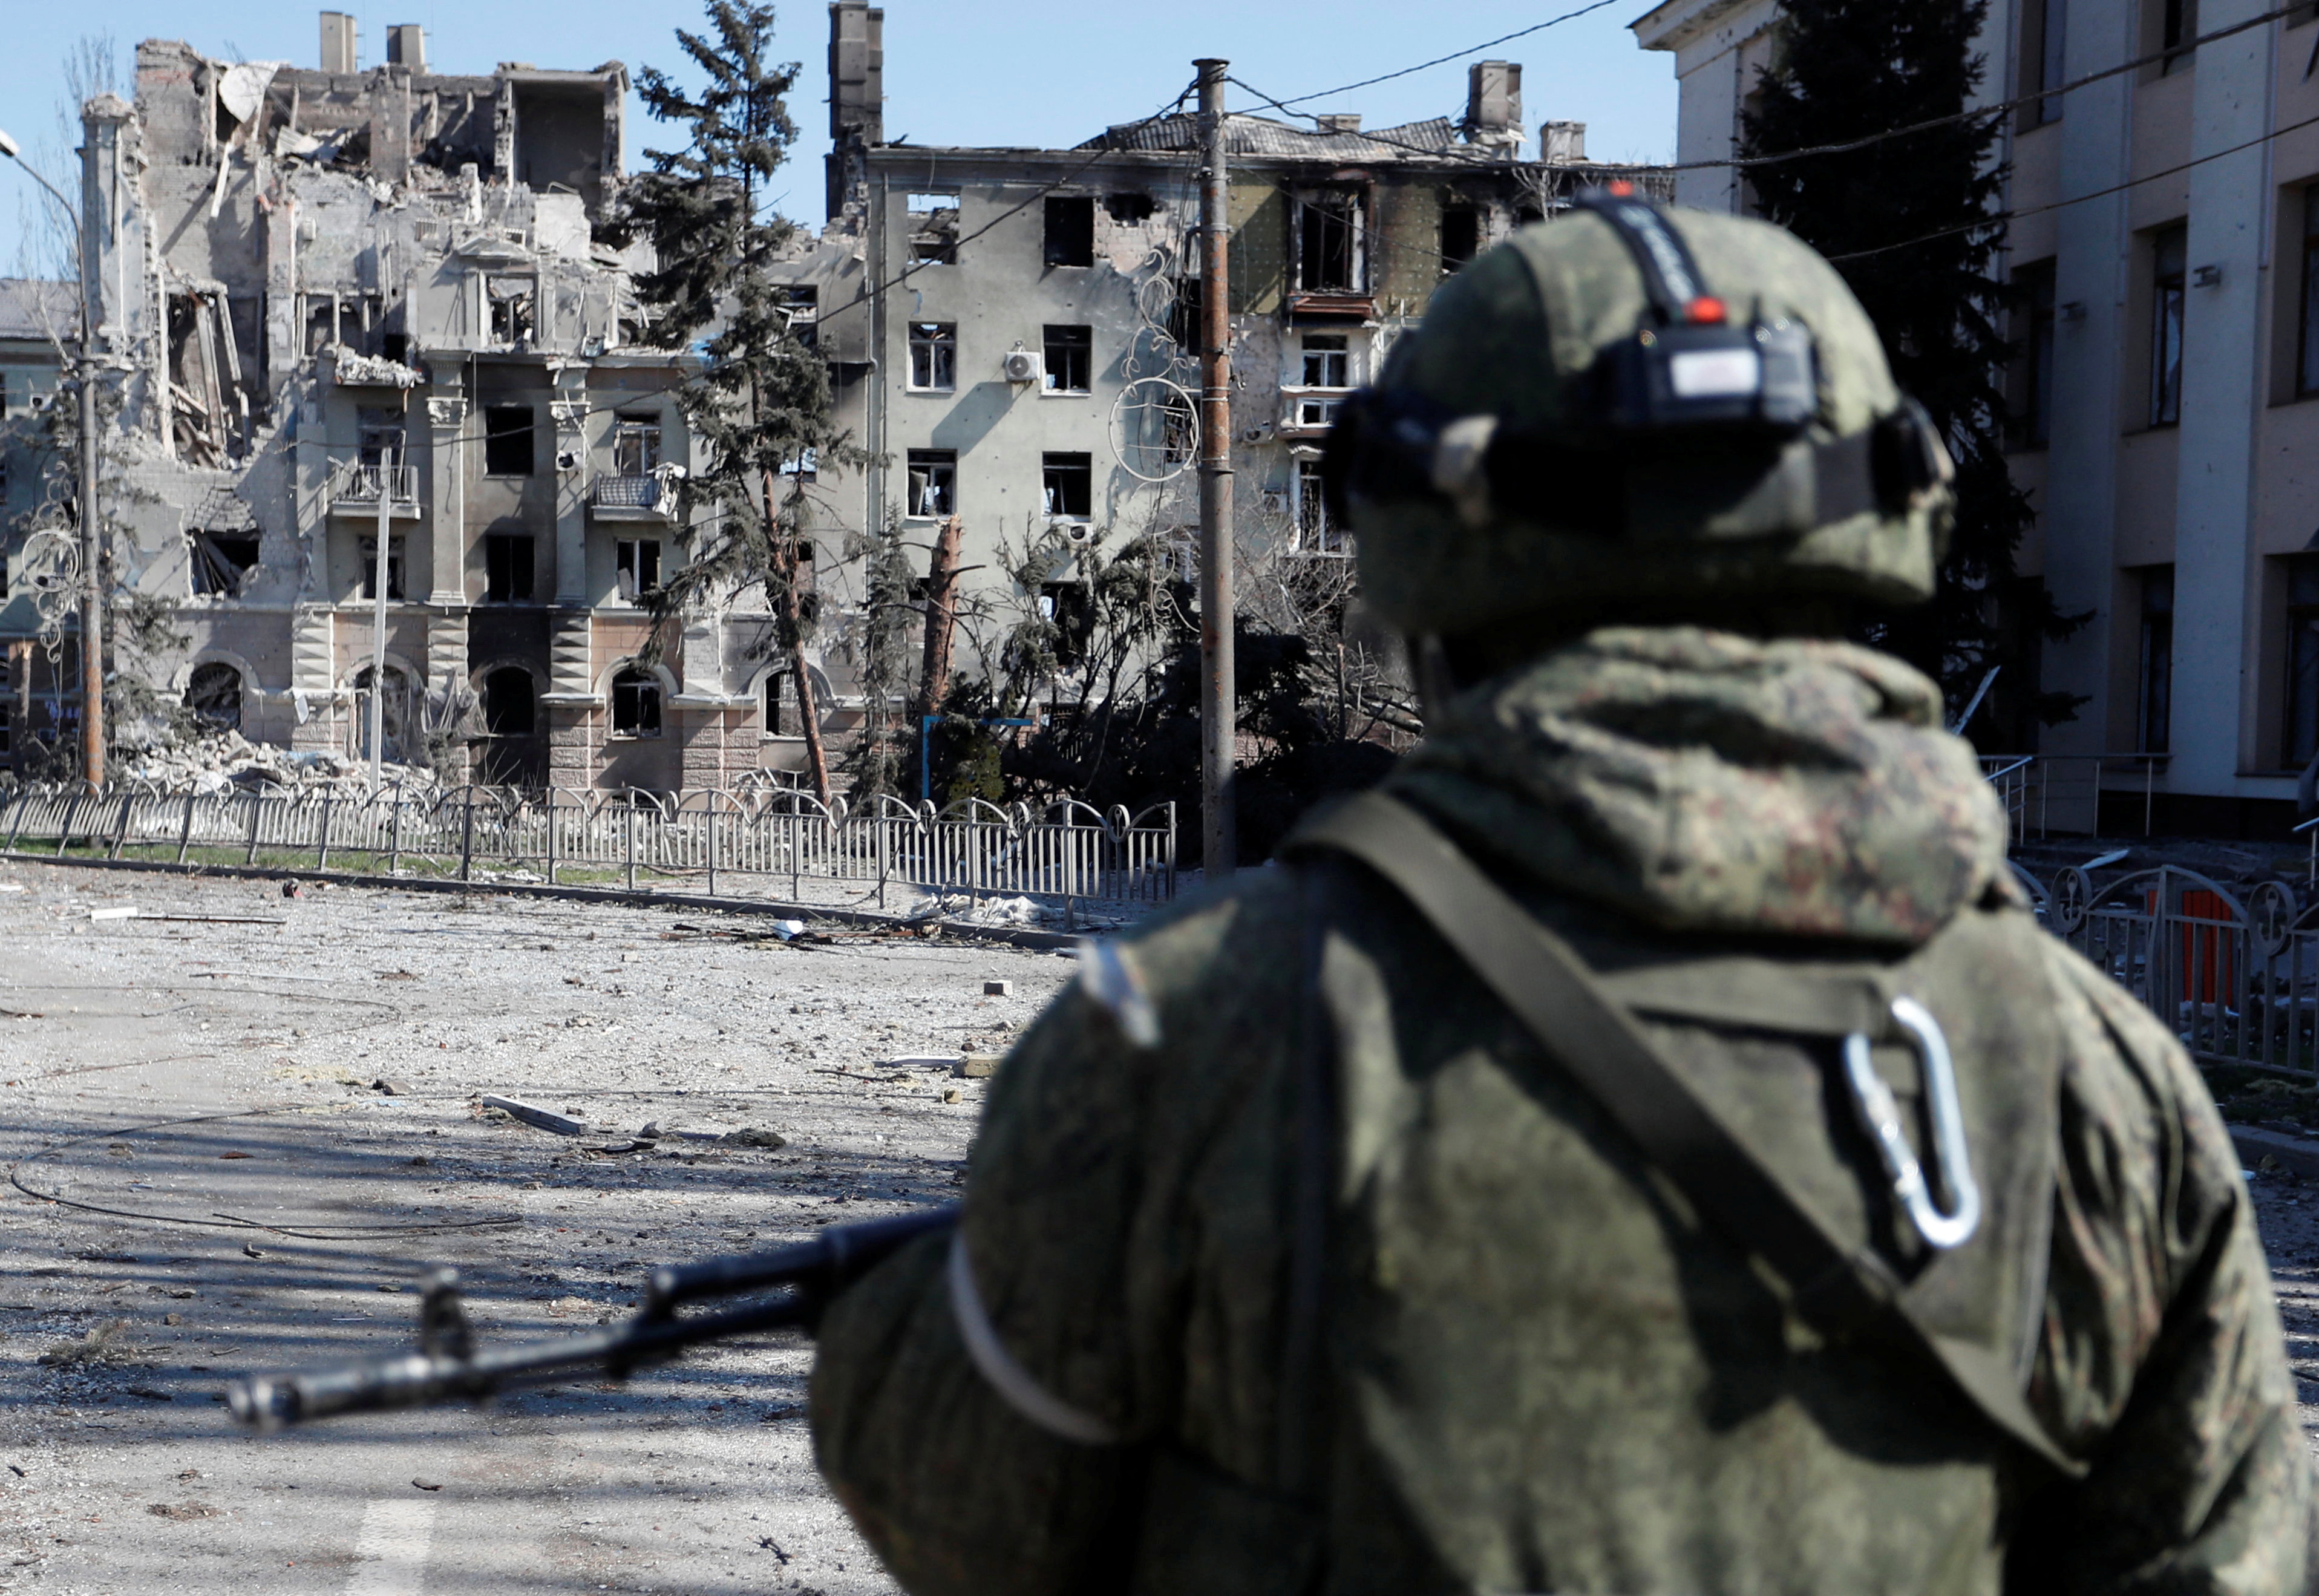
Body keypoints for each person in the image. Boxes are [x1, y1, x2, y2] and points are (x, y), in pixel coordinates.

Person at [808, 188, 2312, 1594]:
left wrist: (935, 1301)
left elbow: (970, 1505)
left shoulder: (1191, 1035)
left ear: (1431, 558)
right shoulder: (2107, 1090)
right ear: (1880, 537)